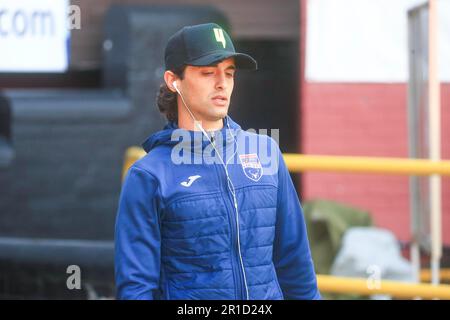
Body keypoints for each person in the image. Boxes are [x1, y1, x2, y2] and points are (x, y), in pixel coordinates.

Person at [115, 22, 320, 300]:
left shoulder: (266, 153)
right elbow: (136, 287)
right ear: (173, 80)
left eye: (229, 73)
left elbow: (295, 263)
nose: (222, 83)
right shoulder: (149, 175)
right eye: (208, 73)